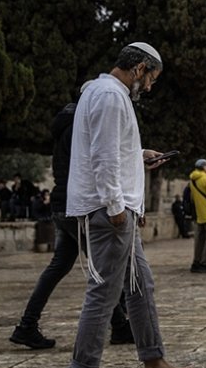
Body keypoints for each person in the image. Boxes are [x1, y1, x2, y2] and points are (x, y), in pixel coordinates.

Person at [65, 42, 191, 368]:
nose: (149, 86)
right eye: (150, 78)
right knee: (104, 295)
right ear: (138, 68)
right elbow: (103, 158)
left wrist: (139, 156)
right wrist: (116, 207)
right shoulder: (109, 96)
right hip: (110, 214)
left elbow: (113, 153)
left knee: (140, 287)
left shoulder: (106, 93)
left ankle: (154, 360)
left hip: (122, 211)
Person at [9, 102, 133, 351]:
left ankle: (27, 325)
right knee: (105, 268)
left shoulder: (63, 129)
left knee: (60, 267)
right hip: (79, 207)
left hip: (61, 205)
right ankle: (119, 327)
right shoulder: (82, 129)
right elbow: (98, 166)